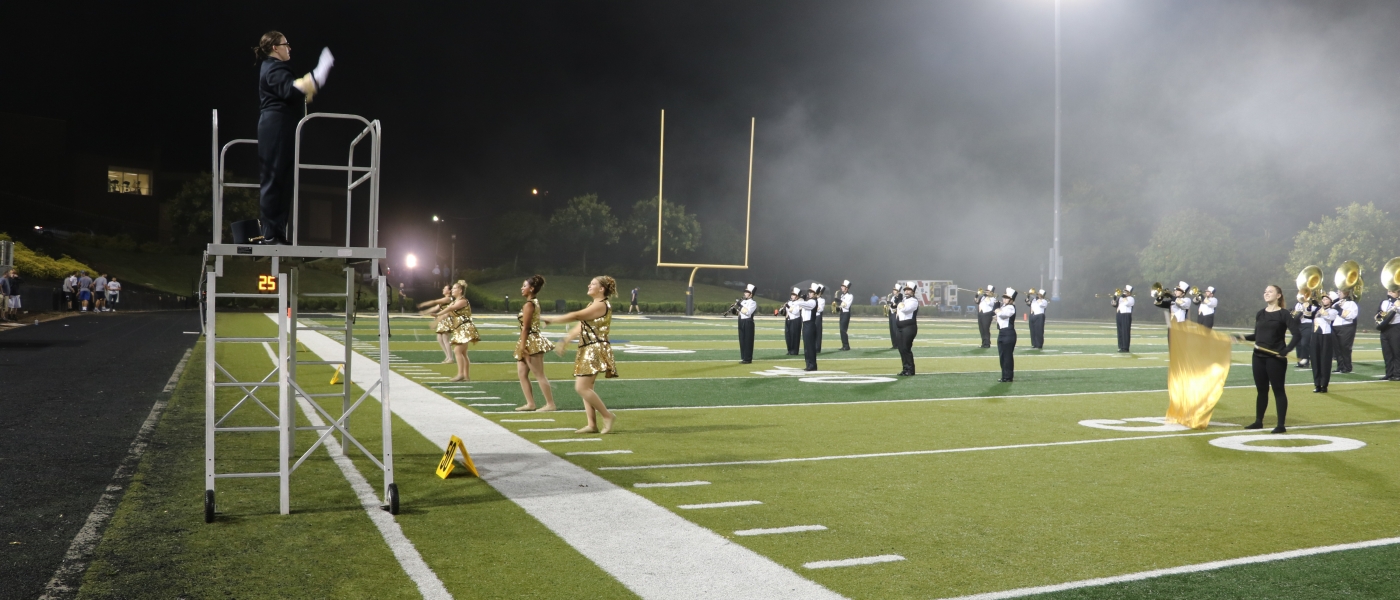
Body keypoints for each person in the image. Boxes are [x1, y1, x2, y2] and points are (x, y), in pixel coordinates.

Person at [252, 31, 334, 244]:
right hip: (277, 128)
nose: (289, 48)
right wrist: (317, 75)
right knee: (275, 179)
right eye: (286, 44)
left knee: (283, 181)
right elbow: (290, 90)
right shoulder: (273, 67)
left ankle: (277, 232)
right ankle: (271, 234)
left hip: (282, 129)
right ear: (275, 48)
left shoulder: (274, 68)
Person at [542, 276, 619, 434]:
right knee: (587, 388)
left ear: (601, 289)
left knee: (581, 387)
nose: (589, 285)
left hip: (594, 348)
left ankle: (607, 416)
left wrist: (553, 320)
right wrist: (566, 339)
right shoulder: (593, 304)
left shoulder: (601, 305)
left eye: (593, 284)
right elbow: (581, 325)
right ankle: (592, 425)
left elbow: (576, 315)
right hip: (588, 347)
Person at [1235, 284, 1300, 433]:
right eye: (1265, 291)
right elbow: (1257, 335)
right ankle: (1259, 421)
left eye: (1270, 291)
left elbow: (1297, 334)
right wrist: (1242, 337)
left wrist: (1286, 350)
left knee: (1278, 390)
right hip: (1258, 357)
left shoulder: (1284, 314)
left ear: (1278, 295)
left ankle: (1281, 425)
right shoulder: (1260, 313)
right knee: (1261, 390)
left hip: (1275, 358)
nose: (1266, 293)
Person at [513, 275, 556, 411]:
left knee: (539, 374)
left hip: (530, 341)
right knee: (522, 373)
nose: (522, 288)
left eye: (524, 286)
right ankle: (530, 404)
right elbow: (533, 318)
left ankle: (550, 404)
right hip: (528, 339)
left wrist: (522, 346)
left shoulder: (529, 304)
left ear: (531, 289)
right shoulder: (533, 302)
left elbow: (526, 327)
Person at [444, 281, 480, 383]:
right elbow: (448, 312)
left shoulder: (463, 301)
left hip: (464, 328)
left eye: (455, 288)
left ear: (460, 290)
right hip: (460, 328)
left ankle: (460, 374)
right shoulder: (455, 301)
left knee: (457, 351)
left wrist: (437, 314)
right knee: (463, 353)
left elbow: (450, 309)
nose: (452, 290)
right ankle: (466, 376)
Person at [1303, 294, 1336, 393]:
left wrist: (1318, 306)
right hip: (1315, 335)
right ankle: (1317, 384)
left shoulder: (1333, 311)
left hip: (1326, 336)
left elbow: (1328, 317)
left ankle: (1324, 385)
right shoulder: (1317, 310)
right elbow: (1307, 315)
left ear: (1331, 301)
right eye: (1323, 299)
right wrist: (1308, 306)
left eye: (1326, 299)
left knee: (1325, 360)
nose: (1324, 300)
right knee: (1315, 360)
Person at [418, 285, 456, 363]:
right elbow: (435, 308)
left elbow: (435, 302)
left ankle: (451, 358)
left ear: (449, 291)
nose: (443, 289)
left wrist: (424, 304)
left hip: (447, 320)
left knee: (445, 339)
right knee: (439, 338)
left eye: (445, 288)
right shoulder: (444, 300)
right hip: (442, 320)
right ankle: (447, 356)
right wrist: (424, 312)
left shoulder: (448, 299)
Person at [895, 282, 919, 376]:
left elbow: (905, 309)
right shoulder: (904, 300)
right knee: (901, 349)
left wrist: (899, 303)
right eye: (905, 290)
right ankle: (905, 369)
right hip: (900, 327)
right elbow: (897, 310)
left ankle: (910, 370)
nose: (906, 292)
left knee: (906, 348)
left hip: (909, 327)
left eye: (909, 290)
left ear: (913, 291)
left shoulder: (914, 301)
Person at [1332, 289, 1359, 374]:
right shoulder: (1337, 303)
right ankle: (1340, 366)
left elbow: (1351, 316)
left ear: (1346, 293)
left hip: (1346, 327)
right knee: (1337, 348)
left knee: (1345, 347)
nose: (1338, 293)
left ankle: (1347, 367)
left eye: (1340, 292)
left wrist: (1339, 310)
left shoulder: (1351, 303)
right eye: (1338, 292)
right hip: (1335, 327)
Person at [795, 283, 820, 371]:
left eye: (811, 292)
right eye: (809, 291)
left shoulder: (813, 301)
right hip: (806, 324)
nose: (809, 293)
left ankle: (812, 365)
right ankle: (809, 364)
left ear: (815, 294)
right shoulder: (809, 301)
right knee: (806, 346)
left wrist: (800, 299)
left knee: (810, 346)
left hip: (810, 324)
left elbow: (803, 304)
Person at [996, 288, 1018, 382]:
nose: (1004, 299)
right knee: (1002, 356)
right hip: (1002, 333)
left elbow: (1003, 315)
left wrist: (997, 309)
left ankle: (1008, 377)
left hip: (1008, 333)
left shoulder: (1011, 307)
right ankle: (1004, 376)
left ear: (1011, 299)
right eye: (1004, 297)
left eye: (1006, 298)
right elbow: (999, 316)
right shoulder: (1004, 307)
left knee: (1007, 356)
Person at [1379, 286, 1400, 381]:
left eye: (1393, 292)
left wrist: (1395, 304)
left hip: (1396, 328)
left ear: (1398, 293)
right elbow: (1380, 313)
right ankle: (1389, 373)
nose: (1390, 293)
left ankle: (1397, 374)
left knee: (1397, 352)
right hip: (1385, 328)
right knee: (1387, 353)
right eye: (1389, 291)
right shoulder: (1384, 302)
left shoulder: (1398, 302)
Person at [736, 284, 757, 364]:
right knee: (742, 340)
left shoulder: (753, 303)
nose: (745, 293)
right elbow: (739, 313)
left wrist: (740, 306)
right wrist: (734, 310)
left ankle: (748, 358)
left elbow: (748, 312)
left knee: (748, 340)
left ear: (751, 294)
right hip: (741, 321)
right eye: (745, 291)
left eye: (747, 292)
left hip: (748, 322)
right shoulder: (743, 301)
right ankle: (743, 357)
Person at [1293, 293, 1314, 369]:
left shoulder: (1311, 304)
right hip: (1299, 325)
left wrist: (1304, 309)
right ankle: (1300, 362)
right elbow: (1296, 315)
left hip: (1308, 324)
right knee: (1298, 344)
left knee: (1304, 343)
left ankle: (1306, 361)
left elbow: (1310, 314)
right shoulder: (1298, 304)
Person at [1112, 285, 1135, 352]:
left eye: (1126, 291)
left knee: (1125, 331)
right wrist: (1114, 298)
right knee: (1120, 331)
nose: (1124, 292)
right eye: (1124, 291)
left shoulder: (1131, 298)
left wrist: (1124, 297)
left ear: (1129, 292)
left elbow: (1127, 303)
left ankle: (1125, 347)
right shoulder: (1121, 298)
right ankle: (1120, 346)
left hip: (1126, 315)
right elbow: (1114, 305)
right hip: (1119, 314)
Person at [782, 287, 802, 355]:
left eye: (794, 295)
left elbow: (795, 312)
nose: (792, 296)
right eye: (792, 294)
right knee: (788, 336)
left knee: (794, 336)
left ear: (797, 296)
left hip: (795, 320)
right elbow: (786, 311)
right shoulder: (789, 302)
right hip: (788, 320)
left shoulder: (799, 303)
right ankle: (789, 350)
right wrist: (782, 310)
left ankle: (794, 351)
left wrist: (788, 306)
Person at [976, 284, 996, 348]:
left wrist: (987, 296)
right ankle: (983, 343)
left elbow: (990, 303)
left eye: (988, 291)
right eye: (986, 291)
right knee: (981, 329)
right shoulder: (983, 297)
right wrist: (977, 295)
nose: (986, 292)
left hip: (987, 315)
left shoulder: (993, 298)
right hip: (980, 314)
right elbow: (977, 302)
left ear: (991, 292)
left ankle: (987, 344)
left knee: (986, 329)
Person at [837, 280, 854, 351]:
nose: (841, 287)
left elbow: (847, 306)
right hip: (842, 313)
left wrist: (840, 301)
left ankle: (846, 346)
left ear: (846, 288)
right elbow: (842, 305)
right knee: (841, 330)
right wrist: (838, 308)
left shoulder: (850, 296)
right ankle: (844, 345)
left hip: (846, 314)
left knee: (843, 330)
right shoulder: (842, 295)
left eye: (843, 286)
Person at [885, 283, 900, 350]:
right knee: (892, 330)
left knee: (895, 330)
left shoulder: (899, 297)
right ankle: (894, 344)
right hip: (891, 314)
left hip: (895, 314)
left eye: (895, 290)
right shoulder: (893, 297)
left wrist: (890, 303)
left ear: (898, 291)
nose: (893, 291)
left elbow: (897, 305)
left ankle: (898, 344)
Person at [814, 284, 826, 353]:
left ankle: (817, 348)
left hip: (818, 317)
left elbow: (820, 309)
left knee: (818, 332)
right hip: (812, 317)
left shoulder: (821, 300)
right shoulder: (813, 299)